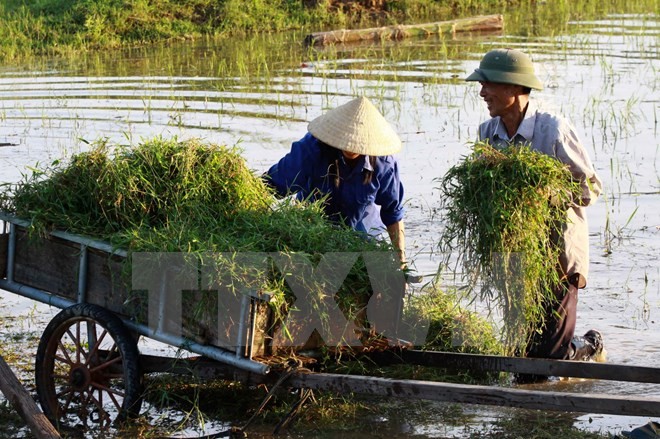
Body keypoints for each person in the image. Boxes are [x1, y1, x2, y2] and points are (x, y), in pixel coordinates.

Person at [465, 48, 604, 371]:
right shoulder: (488, 133)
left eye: (488, 85)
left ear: (514, 88)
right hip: (515, 255)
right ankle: (527, 410)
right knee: (523, 353)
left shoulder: (552, 130)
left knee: (551, 354)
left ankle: (589, 345)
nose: (482, 93)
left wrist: (544, 193)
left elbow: (590, 189)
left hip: (556, 254)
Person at [264, 96, 406, 266]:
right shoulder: (312, 149)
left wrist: (401, 265)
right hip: (310, 227)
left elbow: (393, 213)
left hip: (360, 230)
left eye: (357, 142)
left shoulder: (384, 165)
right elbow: (272, 185)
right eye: (347, 138)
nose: (351, 146)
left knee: (371, 273)